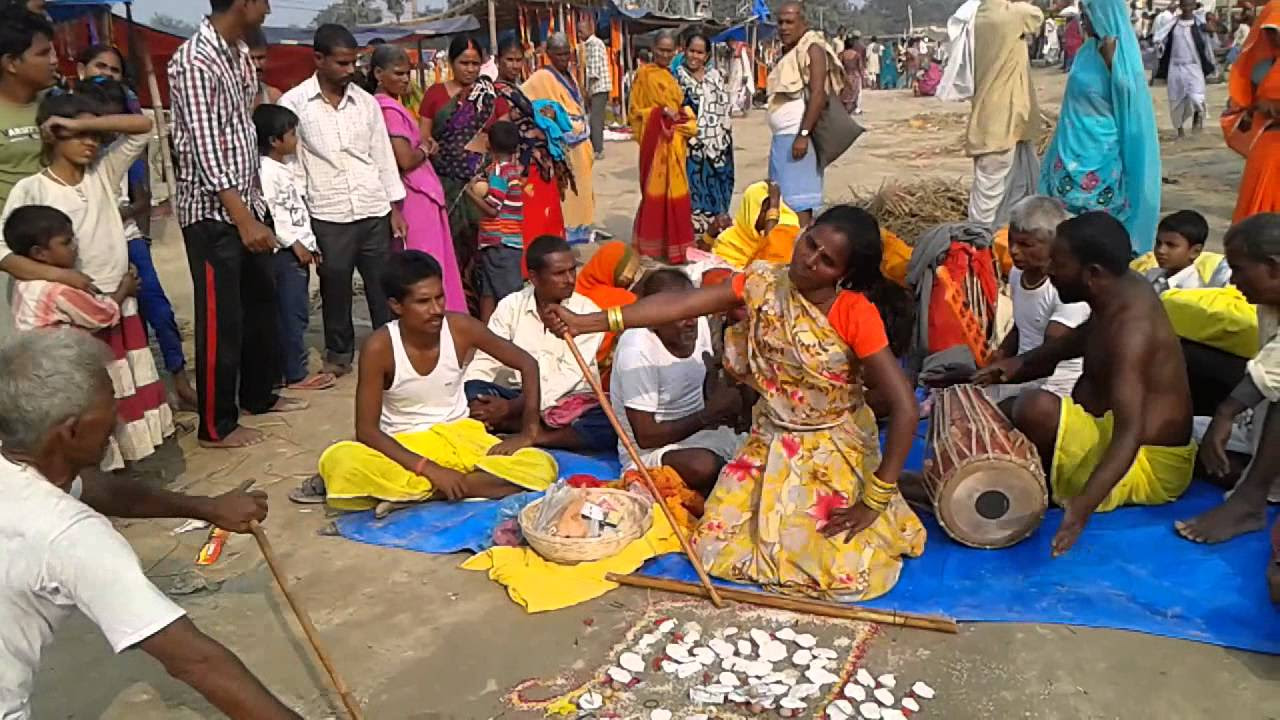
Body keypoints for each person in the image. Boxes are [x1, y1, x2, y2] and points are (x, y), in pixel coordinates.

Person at [544, 205, 926, 601]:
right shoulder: (762, 282)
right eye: (810, 243)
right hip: (770, 438)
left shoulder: (854, 313)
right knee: (713, 548)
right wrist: (590, 322)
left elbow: (905, 408)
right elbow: (681, 304)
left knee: (842, 572)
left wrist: (874, 498)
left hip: (832, 447)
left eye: (826, 261)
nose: (809, 260)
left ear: (843, 274)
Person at [0, 328, 300, 720]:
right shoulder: (71, 536)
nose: (119, 418)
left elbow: (90, 486)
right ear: (70, 430)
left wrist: (207, 508)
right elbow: (197, 663)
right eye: (108, 408)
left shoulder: (27, 466)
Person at [974, 212, 1195, 556]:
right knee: (1000, 412)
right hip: (1114, 434)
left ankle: (1037, 487)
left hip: (1145, 462)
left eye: (1057, 263)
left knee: (1036, 408)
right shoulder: (1119, 288)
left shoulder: (1131, 330)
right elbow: (1075, 341)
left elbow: (1130, 432)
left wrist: (1082, 509)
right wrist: (1012, 367)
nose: (1048, 270)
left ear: (1092, 274)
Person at [294, 251, 557, 515]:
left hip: (461, 437)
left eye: (439, 297)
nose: (436, 310)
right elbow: (367, 431)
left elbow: (527, 364)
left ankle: (424, 493)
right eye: (423, 302)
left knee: (540, 465)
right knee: (342, 461)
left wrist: (528, 432)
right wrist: (429, 469)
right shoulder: (380, 347)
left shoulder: (460, 328)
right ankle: (460, 486)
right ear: (397, 306)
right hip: (406, 445)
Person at [1, 95, 174, 470]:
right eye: (75, 134)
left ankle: (123, 463)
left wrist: (83, 125)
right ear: (51, 135)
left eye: (94, 133)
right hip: (74, 315)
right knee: (83, 394)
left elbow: (143, 127)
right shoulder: (32, 189)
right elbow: (5, 253)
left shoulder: (103, 172)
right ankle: (93, 472)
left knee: (119, 387)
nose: (89, 143)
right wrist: (64, 276)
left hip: (115, 303)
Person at [169, 0, 288, 450]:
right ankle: (216, 425)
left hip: (248, 200)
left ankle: (258, 395)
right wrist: (242, 219)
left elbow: (239, 129)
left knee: (260, 305)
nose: (270, 7)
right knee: (222, 321)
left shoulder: (236, 51)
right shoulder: (195, 59)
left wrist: (255, 210)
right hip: (215, 214)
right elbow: (204, 149)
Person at [280, 24, 407, 377]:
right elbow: (292, 166)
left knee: (381, 286)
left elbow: (381, 155)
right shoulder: (293, 105)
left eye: (353, 63)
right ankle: (339, 354)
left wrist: (395, 207)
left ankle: (389, 351)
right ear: (318, 59)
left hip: (372, 207)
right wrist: (300, 221)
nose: (350, 70)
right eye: (341, 63)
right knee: (335, 286)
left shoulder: (366, 103)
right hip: (327, 211)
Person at [75, 73, 198, 410]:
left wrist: (116, 216)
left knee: (158, 311)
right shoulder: (78, 164)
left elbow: (141, 198)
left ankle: (179, 381)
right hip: (88, 251)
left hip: (128, 240)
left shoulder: (116, 158)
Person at [1174, 216, 1280, 578]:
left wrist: (1226, 413)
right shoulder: (1270, 300)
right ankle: (1247, 476)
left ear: (1273, 268)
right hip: (1260, 421)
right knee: (1175, 436)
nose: (1233, 281)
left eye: (1238, 269)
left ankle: (1250, 499)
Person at [465, 235, 615, 452]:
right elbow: (485, 360)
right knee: (473, 389)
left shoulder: (586, 312)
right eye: (559, 273)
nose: (570, 279)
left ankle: (535, 436)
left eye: (572, 270)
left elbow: (567, 378)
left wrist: (510, 408)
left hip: (568, 403)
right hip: (517, 395)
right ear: (534, 277)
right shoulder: (511, 306)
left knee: (609, 421)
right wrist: (477, 403)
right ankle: (511, 423)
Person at [1040, 0, 1162, 255]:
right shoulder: (1086, 50)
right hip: (1071, 144)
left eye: (1089, 14)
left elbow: (1131, 95)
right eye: (1083, 14)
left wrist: (1112, 64)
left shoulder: (1119, 50)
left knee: (1096, 222)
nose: (1083, 21)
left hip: (1101, 149)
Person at [610, 269, 743, 494]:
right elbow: (646, 437)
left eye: (691, 310)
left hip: (702, 433)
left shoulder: (697, 322)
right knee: (703, 466)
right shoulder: (637, 350)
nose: (690, 321)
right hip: (651, 453)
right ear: (653, 319)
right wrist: (709, 414)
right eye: (679, 314)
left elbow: (706, 373)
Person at [365, 44, 465, 313]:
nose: (405, 79)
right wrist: (425, 149)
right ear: (378, 73)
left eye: (407, 73)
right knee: (425, 264)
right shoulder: (387, 109)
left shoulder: (393, 106)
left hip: (420, 194)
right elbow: (405, 159)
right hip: (414, 198)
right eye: (398, 73)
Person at [253, 104, 337, 393]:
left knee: (293, 311)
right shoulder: (266, 172)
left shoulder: (283, 168)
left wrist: (310, 244)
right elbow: (273, 215)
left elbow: (296, 211)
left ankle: (285, 369)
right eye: (291, 134)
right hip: (284, 252)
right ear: (275, 140)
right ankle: (294, 372)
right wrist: (295, 243)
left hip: (297, 248)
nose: (296, 139)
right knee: (291, 314)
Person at [985, 196, 1090, 402]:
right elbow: (1021, 326)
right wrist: (1002, 353)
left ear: (1054, 244)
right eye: (1011, 241)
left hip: (1054, 388)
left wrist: (1007, 371)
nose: (1014, 251)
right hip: (1022, 375)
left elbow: (1050, 354)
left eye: (1026, 244)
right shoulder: (1017, 274)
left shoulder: (1066, 289)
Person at [0, 9, 60, 342]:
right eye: (42, 53)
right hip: (8, 258)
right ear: (11, 62)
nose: (54, 60)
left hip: (57, 246)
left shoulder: (57, 106)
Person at [421, 35, 495, 279]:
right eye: (464, 63)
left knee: (483, 255)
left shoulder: (489, 97)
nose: (471, 69)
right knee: (450, 250)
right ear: (452, 63)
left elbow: (502, 137)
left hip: (481, 187)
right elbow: (424, 137)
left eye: (475, 64)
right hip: (446, 186)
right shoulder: (435, 95)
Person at [965, 0, 1044, 227]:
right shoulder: (1010, 15)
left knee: (1011, 188)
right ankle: (979, 246)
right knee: (988, 198)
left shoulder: (980, 15)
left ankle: (997, 244)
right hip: (1003, 117)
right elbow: (1037, 16)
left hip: (997, 117)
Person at [768, 2, 844, 226]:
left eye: (789, 22)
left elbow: (818, 95)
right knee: (779, 200)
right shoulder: (791, 51)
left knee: (798, 203)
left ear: (804, 23)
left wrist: (803, 134)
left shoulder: (813, 49)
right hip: (783, 139)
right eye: (780, 22)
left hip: (798, 139)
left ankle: (800, 249)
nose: (783, 27)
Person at [492, 35, 572, 250]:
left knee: (546, 217)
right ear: (497, 60)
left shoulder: (517, 92)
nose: (515, 65)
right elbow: (500, 130)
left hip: (539, 164)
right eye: (509, 60)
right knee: (530, 219)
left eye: (519, 60)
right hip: (520, 167)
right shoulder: (495, 93)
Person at [629, 30, 697, 264]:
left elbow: (677, 106)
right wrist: (660, 114)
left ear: (675, 50)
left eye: (669, 51)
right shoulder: (644, 75)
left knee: (676, 195)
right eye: (661, 50)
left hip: (674, 146)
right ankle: (653, 246)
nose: (665, 54)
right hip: (656, 146)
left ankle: (675, 246)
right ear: (653, 49)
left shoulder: (671, 76)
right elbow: (635, 114)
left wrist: (680, 117)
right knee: (655, 196)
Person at [523, 33, 597, 245]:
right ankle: (567, 234)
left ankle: (582, 230)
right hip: (564, 143)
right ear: (549, 54)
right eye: (559, 54)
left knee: (583, 189)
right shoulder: (542, 77)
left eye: (567, 53)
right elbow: (524, 97)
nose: (564, 58)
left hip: (581, 140)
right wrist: (546, 114)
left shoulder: (570, 75)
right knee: (569, 191)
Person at [1225, 0, 1280, 222]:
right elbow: (1241, 105)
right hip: (1266, 150)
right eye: (1270, 31)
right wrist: (1257, 107)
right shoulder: (1261, 68)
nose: (1275, 37)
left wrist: (1271, 107)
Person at [677, 32, 734, 239]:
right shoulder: (677, 79)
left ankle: (717, 230)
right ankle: (695, 235)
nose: (695, 56)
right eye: (692, 51)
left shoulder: (716, 78)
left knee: (719, 186)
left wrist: (721, 136)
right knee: (693, 190)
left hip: (719, 144)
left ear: (707, 55)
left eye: (700, 52)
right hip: (691, 148)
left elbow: (725, 109)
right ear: (684, 51)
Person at [467, 120, 526, 319]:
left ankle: (513, 332)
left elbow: (493, 209)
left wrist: (471, 194)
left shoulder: (500, 171)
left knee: (506, 293)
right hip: (504, 241)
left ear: (489, 145)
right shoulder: (509, 169)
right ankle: (489, 335)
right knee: (488, 291)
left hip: (500, 240)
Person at [574, 240, 641, 383]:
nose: (631, 279)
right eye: (630, 275)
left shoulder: (574, 287)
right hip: (597, 371)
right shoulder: (624, 300)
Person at [1155, 0, 1216, 137]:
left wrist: (1210, 27)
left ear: (1194, 6)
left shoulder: (1199, 24)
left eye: (1190, 5)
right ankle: (1180, 131)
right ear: (1180, 7)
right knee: (1176, 100)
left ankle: (1197, 119)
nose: (1187, 8)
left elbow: (1217, 31)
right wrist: (1160, 46)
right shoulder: (1172, 24)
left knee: (1197, 97)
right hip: (1175, 67)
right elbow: (1159, 38)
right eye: (1184, 5)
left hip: (1194, 66)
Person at [710, 180, 801, 270]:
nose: (770, 217)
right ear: (750, 212)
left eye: (775, 209)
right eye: (765, 210)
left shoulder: (783, 232)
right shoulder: (728, 243)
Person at [1145, 209, 1231, 291]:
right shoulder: (1152, 275)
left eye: (1171, 245)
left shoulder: (1194, 289)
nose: (1161, 250)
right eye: (1158, 243)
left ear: (1195, 251)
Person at [577, 14, 611, 160]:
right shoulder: (588, 46)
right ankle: (595, 146)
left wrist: (584, 88)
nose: (579, 35)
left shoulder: (595, 44)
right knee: (594, 118)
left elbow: (593, 71)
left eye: (581, 31)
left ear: (589, 30)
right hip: (595, 88)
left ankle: (598, 149)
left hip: (599, 87)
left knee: (595, 119)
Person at [246, 27, 281, 107]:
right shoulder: (227, 97)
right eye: (251, 59)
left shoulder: (274, 97)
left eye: (261, 58)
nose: (257, 65)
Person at [840, 34, 866, 114]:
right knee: (856, 94)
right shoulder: (856, 54)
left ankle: (845, 110)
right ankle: (855, 109)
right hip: (855, 76)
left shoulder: (842, 55)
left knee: (846, 94)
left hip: (845, 76)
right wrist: (863, 78)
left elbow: (840, 66)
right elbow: (860, 67)